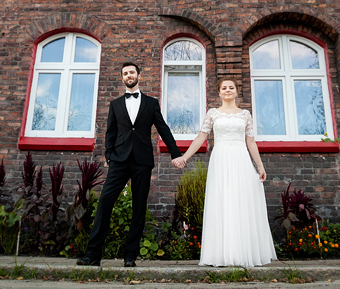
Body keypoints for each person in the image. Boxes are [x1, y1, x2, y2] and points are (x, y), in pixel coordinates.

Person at [77, 61, 184, 267]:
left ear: (138, 75)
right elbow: (110, 132)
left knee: (138, 208)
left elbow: (163, 128)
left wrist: (175, 153)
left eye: (132, 72)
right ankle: (93, 255)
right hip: (119, 160)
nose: (129, 75)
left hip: (142, 161)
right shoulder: (115, 104)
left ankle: (130, 256)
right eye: (125, 73)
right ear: (122, 77)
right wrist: (109, 156)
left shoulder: (151, 103)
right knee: (105, 202)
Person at [172, 78, 277, 267]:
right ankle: (221, 254)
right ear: (219, 93)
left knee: (240, 202)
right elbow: (201, 137)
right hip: (220, 159)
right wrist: (185, 157)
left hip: (241, 159)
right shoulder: (212, 114)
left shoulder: (245, 115)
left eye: (231, 87)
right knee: (222, 201)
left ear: (237, 91)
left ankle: (242, 252)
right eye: (224, 88)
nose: (228, 90)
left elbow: (250, 142)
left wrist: (260, 166)